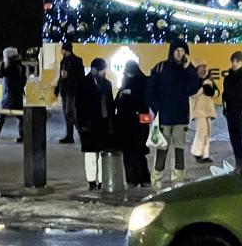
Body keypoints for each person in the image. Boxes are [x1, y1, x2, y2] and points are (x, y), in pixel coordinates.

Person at [148, 37, 201, 185]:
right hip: (164, 118)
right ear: (171, 52)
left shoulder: (187, 70)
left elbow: (194, 87)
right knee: (161, 152)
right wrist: (157, 108)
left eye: (182, 50)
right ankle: (156, 182)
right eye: (177, 50)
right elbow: (150, 90)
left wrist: (189, 68)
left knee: (179, 151)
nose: (179, 53)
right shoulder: (161, 68)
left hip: (180, 118)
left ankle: (178, 181)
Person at [76, 57, 115, 190]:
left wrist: (111, 123)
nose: (104, 74)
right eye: (102, 71)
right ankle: (91, 181)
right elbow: (79, 106)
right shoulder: (83, 84)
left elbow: (110, 104)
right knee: (91, 154)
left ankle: (101, 180)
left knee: (102, 153)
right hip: (89, 124)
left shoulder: (107, 84)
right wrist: (82, 124)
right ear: (94, 70)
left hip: (103, 123)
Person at [115, 58, 151, 187]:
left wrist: (131, 93)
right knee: (132, 153)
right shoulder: (128, 83)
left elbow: (144, 102)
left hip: (135, 124)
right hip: (128, 124)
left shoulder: (140, 83)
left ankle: (139, 179)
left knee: (136, 152)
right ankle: (135, 179)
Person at [0, 48, 27, 143]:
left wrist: (2, 64)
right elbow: (24, 80)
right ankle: (22, 134)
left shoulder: (11, 66)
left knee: (8, 115)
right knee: (18, 116)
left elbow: (1, 74)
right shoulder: (19, 66)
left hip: (10, 95)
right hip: (16, 95)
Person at [54, 41, 85, 144]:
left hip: (72, 90)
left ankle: (81, 132)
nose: (62, 51)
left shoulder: (77, 61)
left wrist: (69, 75)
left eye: (63, 49)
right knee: (66, 114)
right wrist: (57, 89)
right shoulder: (63, 61)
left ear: (67, 50)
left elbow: (81, 76)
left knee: (70, 111)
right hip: (64, 90)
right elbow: (61, 76)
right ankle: (69, 135)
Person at [189, 63, 219, 164]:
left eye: (205, 70)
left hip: (208, 111)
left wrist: (210, 89)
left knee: (208, 133)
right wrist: (203, 88)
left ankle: (205, 154)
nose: (203, 71)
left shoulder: (209, 81)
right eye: (201, 70)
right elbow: (192, 93)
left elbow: (216, 93)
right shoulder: (194, 82)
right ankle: (197, 152)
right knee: (201, 132)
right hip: (198, 110)